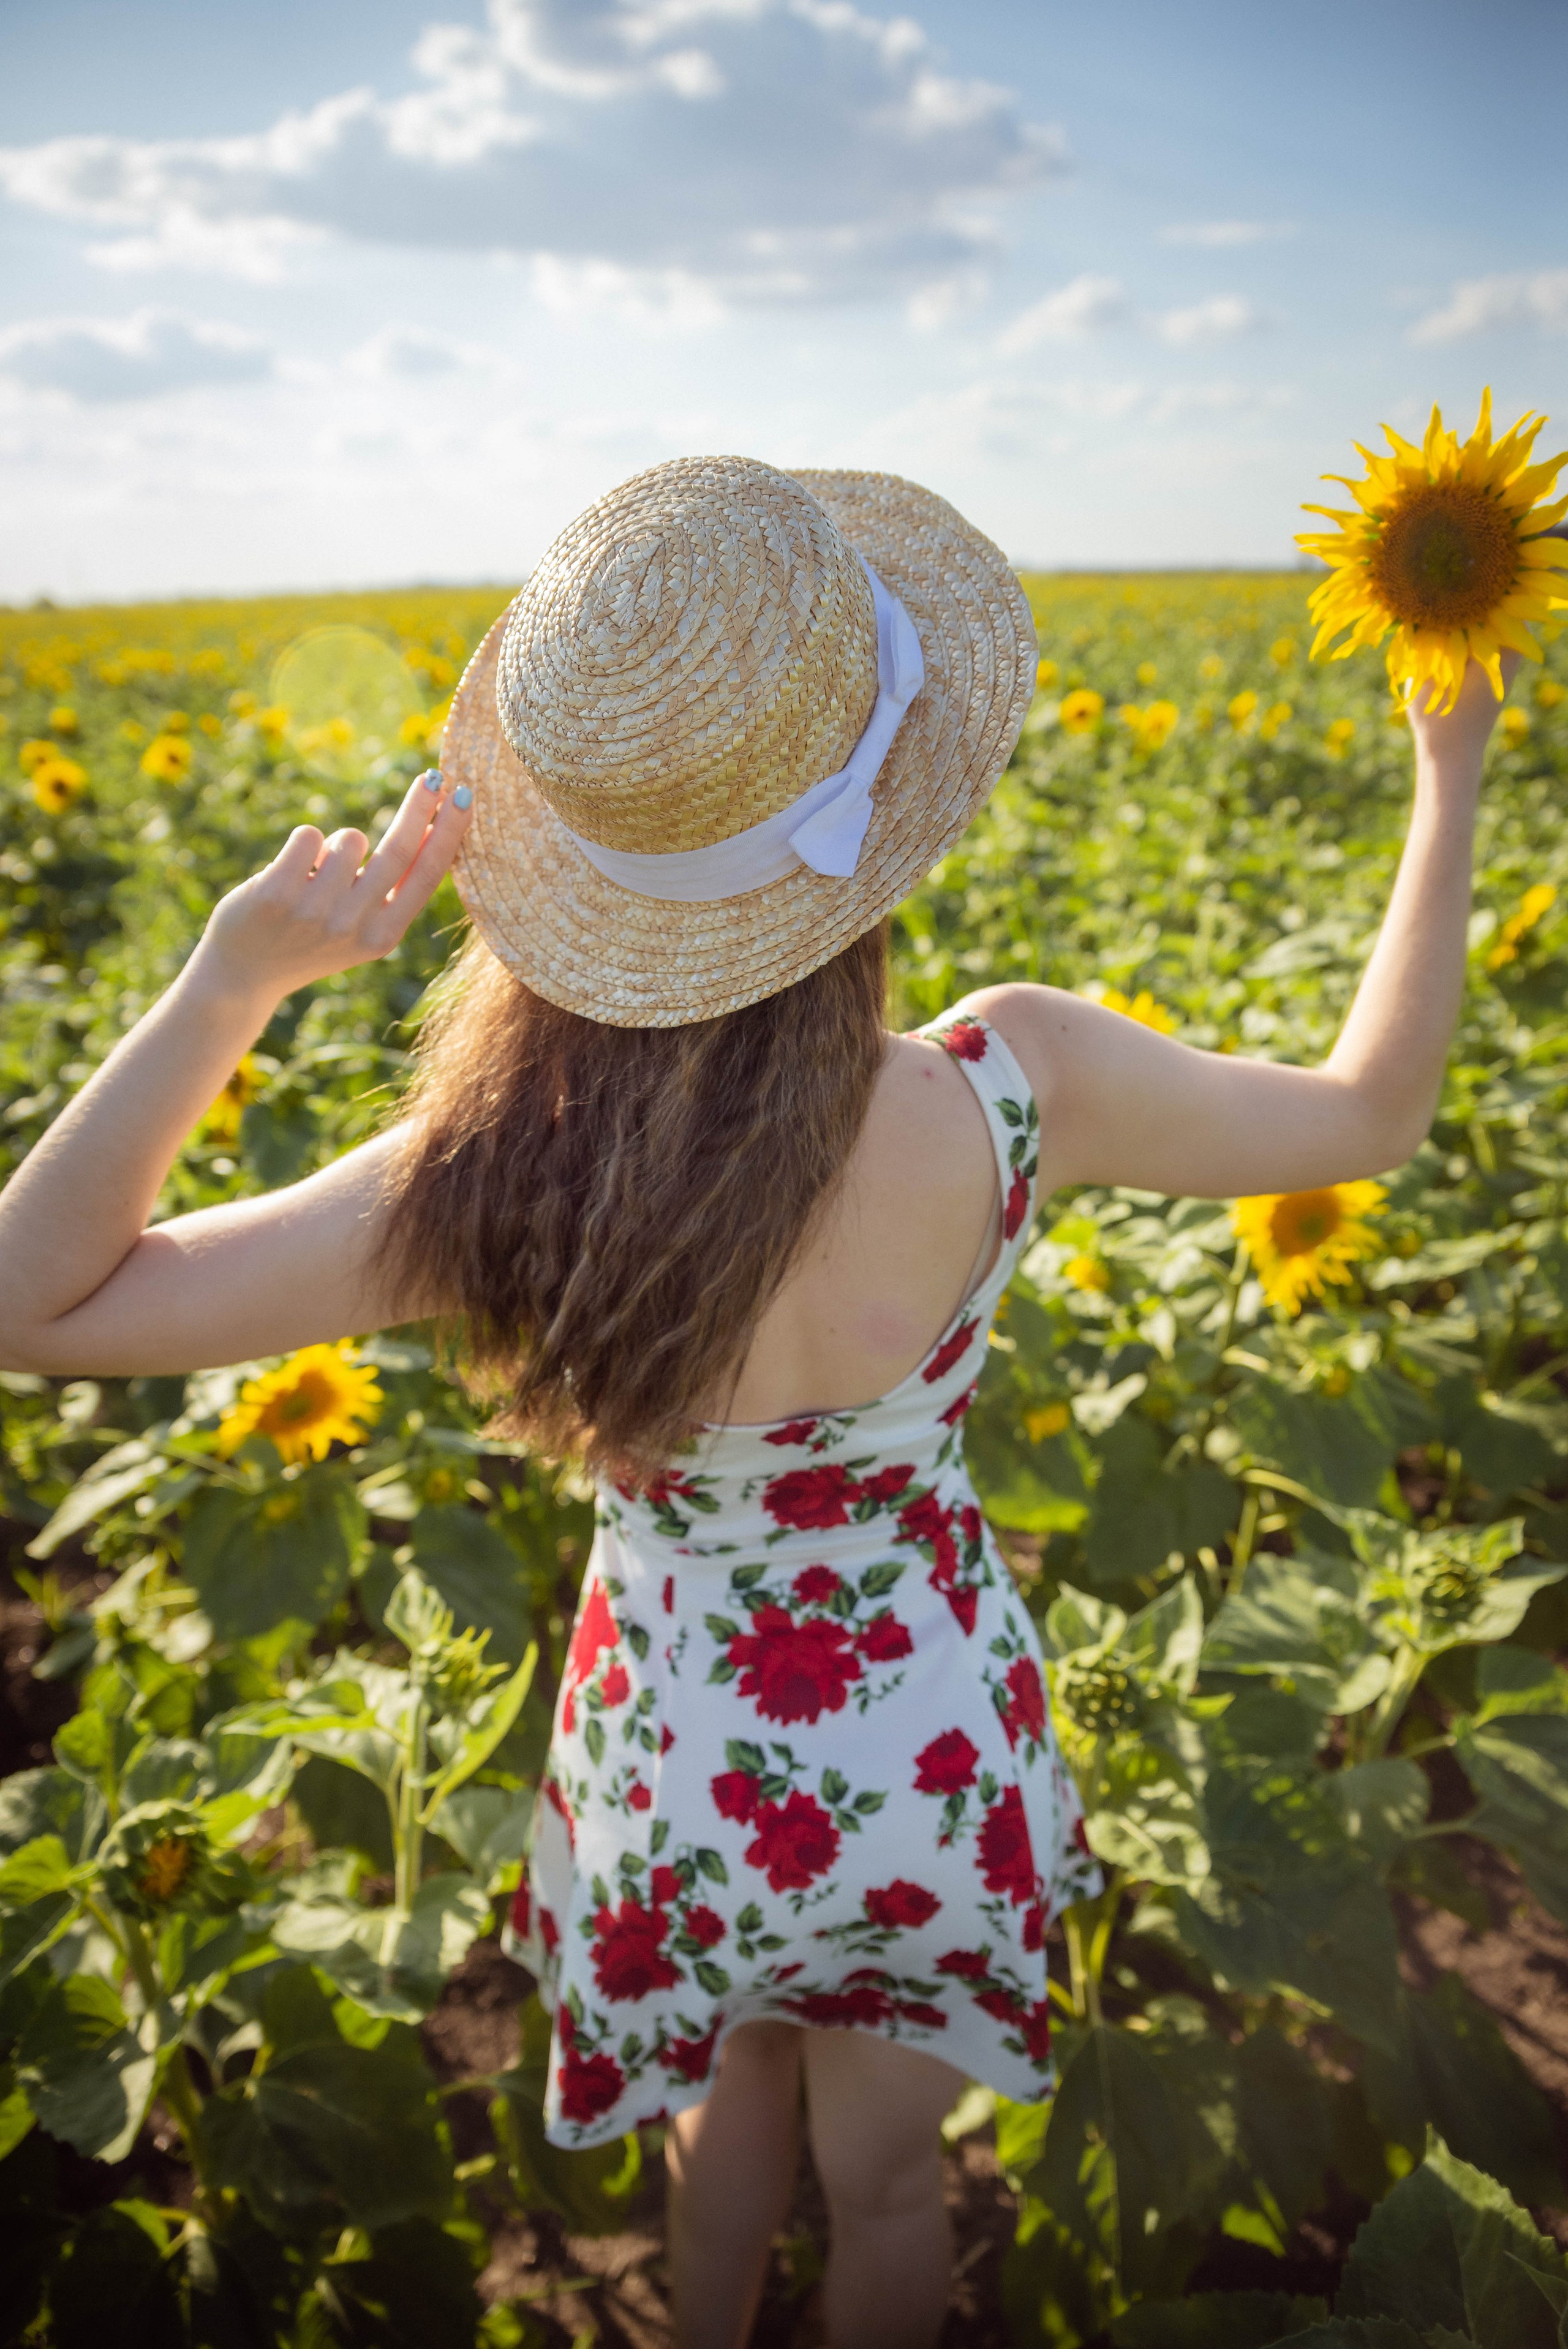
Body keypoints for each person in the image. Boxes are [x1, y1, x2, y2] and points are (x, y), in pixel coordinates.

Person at [0, 455, 1515, 2349]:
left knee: (716, 2169)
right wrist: (1448, 775)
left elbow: (27, 1303)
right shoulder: (1013, 1085)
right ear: (889, 807)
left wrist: (236, 976)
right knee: (893, 2192)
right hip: (930, 1748)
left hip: (683, 1765)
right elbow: (1370, 1109)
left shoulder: (488, 1177)